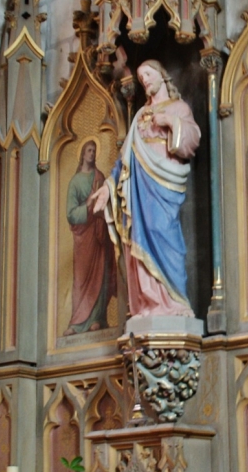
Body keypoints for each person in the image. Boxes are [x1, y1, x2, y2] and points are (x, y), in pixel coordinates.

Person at [92, 60, 200, 317]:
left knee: (161, 229)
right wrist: (108, 187)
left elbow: (193, 139)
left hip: (165, 183)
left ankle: (174, 303)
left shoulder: (178, 107)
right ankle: (147, 303)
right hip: (139, 185)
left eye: (148, 75)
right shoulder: (140, 114)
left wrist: (171, 122)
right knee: (137, 238)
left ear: (162, 76)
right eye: (141, 79)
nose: (145, 81)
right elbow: (125, 156)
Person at [64, 139, 117, 334]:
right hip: (83, 238)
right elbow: (70, 213)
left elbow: (108, 204)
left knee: (100, 276)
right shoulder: (75, 182)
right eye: (88, 150)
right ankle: (77, 322)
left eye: (94, 150)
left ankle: (97, 318)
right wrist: (87, 206)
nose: (92, 154)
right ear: (82, 154)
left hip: (98, 233)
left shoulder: (100, 177)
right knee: (81, 278)